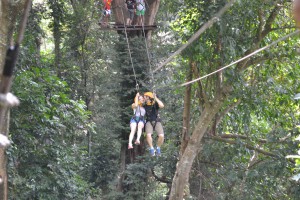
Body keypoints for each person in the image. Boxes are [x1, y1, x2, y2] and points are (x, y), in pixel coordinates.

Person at [143, 92, 164, 156]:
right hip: (149, 121)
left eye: (145, 96)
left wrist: (155, 98)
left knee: (161, 136)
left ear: (148, 97)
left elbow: (162, 105)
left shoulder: (155, 104)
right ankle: (152, 148)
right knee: (148, 135)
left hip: (157, 121)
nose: (144, 98)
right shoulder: (144, 105)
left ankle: (158, 147)